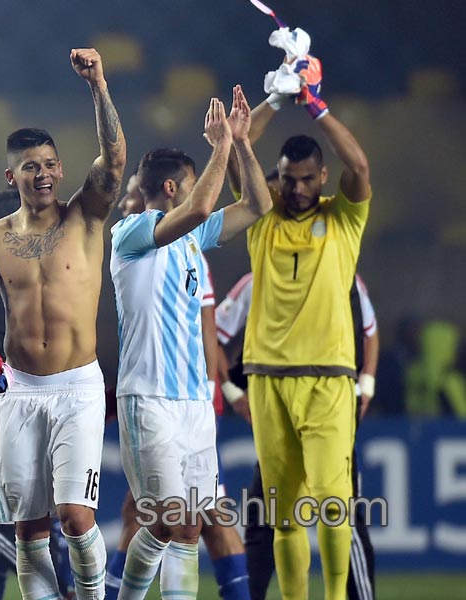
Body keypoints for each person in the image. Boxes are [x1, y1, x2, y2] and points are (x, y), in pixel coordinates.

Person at [0, 47, 127, 600]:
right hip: (18, 392)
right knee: (28, 531)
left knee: (74, 516)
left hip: (77, 387)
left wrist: (98, 84)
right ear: (12, 174)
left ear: (61, 169)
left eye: (50, 164)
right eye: (31, 167)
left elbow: (115, 157)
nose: (43, 174)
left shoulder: (87, 216)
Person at [109, 85, 272, 600]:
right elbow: (204, 206)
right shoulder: (132, 231)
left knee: (190, 527)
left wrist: (242, 143)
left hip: (196, 402)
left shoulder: (191, 240)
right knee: (164, 519)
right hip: (150, 398)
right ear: (174, 190)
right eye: (192, 181)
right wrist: (219, 145)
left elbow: (258, 204)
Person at [227, 49, 373, 600]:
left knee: (333, 504)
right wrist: (275, 99)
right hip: (265, 376)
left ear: (322, 177)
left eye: (306, 180)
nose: (296, 190)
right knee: (284, 515)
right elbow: (238, 150)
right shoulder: (261, 219)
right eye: (287, 179)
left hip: (330, 377)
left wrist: (313, 106)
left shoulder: (343, 217)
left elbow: (360, 167)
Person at [215, 271, 379, 600]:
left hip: (327, 409)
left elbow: (370, 332)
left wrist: (366, 385)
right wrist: (233, 391)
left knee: (340, 510)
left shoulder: (339, 269)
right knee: (267, 515)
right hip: (279, 410)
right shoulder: (260, 278)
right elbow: (213, 332)